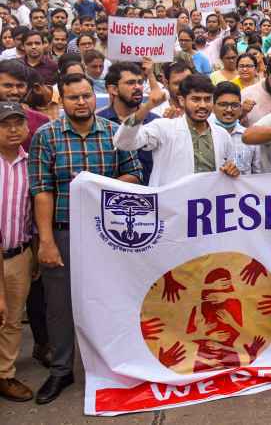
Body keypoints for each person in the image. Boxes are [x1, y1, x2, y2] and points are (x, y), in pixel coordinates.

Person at [29, 74, 142, 404]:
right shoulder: (46, 137)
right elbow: (41, 190)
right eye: (73, 97)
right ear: (60, 100)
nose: (81, 102)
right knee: (60, 305)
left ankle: (114, 366)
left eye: (86, 97)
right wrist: (46, 241)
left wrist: (95, 183)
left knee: (112, 299)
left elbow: (134, 173)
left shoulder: (113, 133)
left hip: (108, 234)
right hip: (64, 231)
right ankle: (62, 370)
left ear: (96, 99)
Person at [114, 74, 238, 186]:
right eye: (196, 99)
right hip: (170, 207)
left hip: (209, 207)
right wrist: (148, 106)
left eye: (207, 99)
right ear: (182, 101)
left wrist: (231, 171)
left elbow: (229, 170)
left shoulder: (222, 135)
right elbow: (124, 143)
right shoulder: (164, 128)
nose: (203, 105)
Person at [0, 102, 35, 401]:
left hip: (20, 253)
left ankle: (5, 374)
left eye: (17, 123)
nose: (13, 130)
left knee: (12, 320)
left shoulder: (31, 163)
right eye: (5, 124)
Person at [99, 60, 159, 185]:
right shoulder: (99, 123)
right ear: (113, 89)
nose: (137, 87)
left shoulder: (155, 121)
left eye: (140, 82)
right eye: (130, 83)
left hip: (151, 196)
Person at [211, 81, 260, 174]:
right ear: (213, 107)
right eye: (223, 105)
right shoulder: (206, 135)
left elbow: (258, 175)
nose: (229, 110)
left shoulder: (250, 138)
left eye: (234, 105)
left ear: (240, 107)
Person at [0, 60, 49, 150]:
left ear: (27, 87)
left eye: (20, 86)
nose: (15, 91)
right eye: (8, 86)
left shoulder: (41, 121)